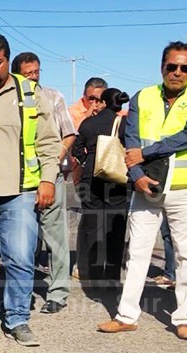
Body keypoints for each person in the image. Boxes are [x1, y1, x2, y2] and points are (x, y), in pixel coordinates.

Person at [98, 41, 187, 340]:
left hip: (184, 189)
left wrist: (147, 154)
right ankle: (126, 316)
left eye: (185, 68)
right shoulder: (143, 96)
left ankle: (184, 318)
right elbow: (132, 140)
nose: (177, 72)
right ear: (162, 66)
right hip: (145, 189)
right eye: (171, 66)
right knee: (137, 254)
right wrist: (137, 176)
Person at [0, 33, 62, 346]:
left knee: (19, 258)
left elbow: (49, 142)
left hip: (19, 193)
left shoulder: (29, 93)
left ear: (7, 60)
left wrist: (47, 180)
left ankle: (17, 318)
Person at [12, 52, 76, 314]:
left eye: (36, 72)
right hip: (20, 180)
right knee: (23, 238)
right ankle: (23, 292)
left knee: (55, 235)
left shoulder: (52, 97)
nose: (33, 77)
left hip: (51, 176)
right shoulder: (10, 99)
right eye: (28, 74)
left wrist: (53, 161)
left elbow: (69, 133)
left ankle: (58, 292)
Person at [72, 87, 130, 287]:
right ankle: (112, 276)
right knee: (116, 228)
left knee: (93, 226)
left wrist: (86, 161)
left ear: (103, 102)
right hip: (117, 179)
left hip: (91, 178)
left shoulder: (89, 123)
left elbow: (77, 149)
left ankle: (92, 274)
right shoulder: (124, 124)